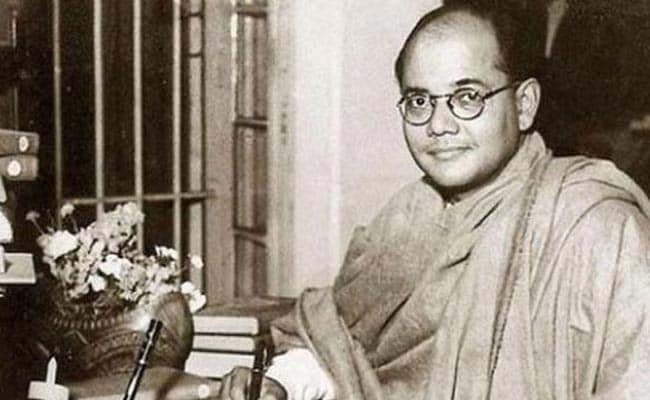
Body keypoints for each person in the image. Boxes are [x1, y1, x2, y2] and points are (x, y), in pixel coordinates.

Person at [219, 1, 650, 399]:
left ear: (524, 104)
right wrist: (283, 382)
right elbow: (344, 349)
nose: (439, 125)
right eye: (420, 100)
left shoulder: (597, 227)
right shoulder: (404, 218)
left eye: (467, 97)